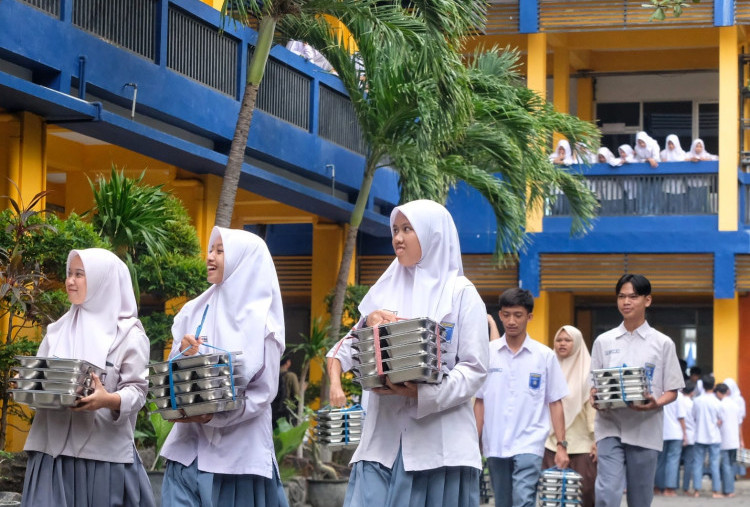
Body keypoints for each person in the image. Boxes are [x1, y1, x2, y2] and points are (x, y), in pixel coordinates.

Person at [330, 199, 489, 507]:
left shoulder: (462, 294)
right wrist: (368, 325)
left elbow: (474, 369)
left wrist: (424, 394)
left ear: (433, 235)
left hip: (439, 447)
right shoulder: (384, 290)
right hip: (381, 443)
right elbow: (346, 348)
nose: (397, 238)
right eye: (395, 230)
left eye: (407, 229)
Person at [159, 227, 287, 507]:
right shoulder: (193, 310)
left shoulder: (263, 325)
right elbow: (172, 375)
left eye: (220, 250)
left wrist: (213, 417)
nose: (211, 257)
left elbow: (264, 394)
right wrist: (181, 354)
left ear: (243, 260)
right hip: (187, 453)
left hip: (236, 461)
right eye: (210, 249)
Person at [21, 248, 155, 507]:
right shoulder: (58, 330)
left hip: (102, 458)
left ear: (102, 280)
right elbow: (40, 381)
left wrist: (107, 399)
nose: (70, 280)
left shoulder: (129, 335)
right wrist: (31, 385)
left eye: (80, 275)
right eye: (69, 273)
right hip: (52, 453)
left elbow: (138, 391)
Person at [589, 273, 685, 507]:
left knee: (640, 498)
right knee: (607, 494)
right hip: (609, 425)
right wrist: (594, 398)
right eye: (621, 296)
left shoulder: (662, 343)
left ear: (647, 300)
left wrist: (655, 403)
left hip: (645, 428)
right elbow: (594, 386)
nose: (626, 302)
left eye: (633, 296)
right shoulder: (604, 341)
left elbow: (672, 390)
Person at [475, 288, 569, 507]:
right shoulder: (487, 354)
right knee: (503, 502)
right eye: (506, 314)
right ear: (499, 315)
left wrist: (561, 445)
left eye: (518, 315)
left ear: (529, 316)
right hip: (495, 442)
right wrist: (475, 441)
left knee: (523, 499)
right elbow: (480, 401)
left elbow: (555, 402)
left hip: (530, 441)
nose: (511, 321)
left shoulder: (544, 356)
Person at [542, 325, 596, 507]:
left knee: (585, 494)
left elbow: (593, 409)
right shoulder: (546, 367)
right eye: (559, 340)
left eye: (567, 340)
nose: (562, 344)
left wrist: (597, 439)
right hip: (550, 443)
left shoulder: (588, 371)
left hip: (582, 445)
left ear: (578, 343)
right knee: (553, 497)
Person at [691, 375, 722, 498]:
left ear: (702, 386)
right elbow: (721, 418)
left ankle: (697, 491)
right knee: (714, 464)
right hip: (714, 436)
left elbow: (693, 416)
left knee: (698, 464)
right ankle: (715, 491)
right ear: (714, 386)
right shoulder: (717, 402)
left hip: (699, 435)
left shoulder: (697, 400)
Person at [653, 381, 686, 497]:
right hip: (675, 433)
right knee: (673, 461)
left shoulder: (657, 394)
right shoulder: (679, 396)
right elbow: (681, 417)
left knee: (659, 462)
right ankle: (669, 489)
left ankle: (657, 487)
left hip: (661, 432)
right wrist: (685, 434)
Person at [716, 382, 742, 498]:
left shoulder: (721, 405)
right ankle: (730, 489)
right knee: (731, 465)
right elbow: (739, 423)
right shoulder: (735, 405)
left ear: (718, 392)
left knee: (726, 465)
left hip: (725, 439)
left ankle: (728, 490)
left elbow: (719, 422)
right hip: (734, 439)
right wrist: (741, 440)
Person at [679, 381, 698, 495]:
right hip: (690, 435)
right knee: (688, 463)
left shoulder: (679, 401)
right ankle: (685, 488)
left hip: (678, 434)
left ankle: (672, 486)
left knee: (674, 462)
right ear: (692, 392)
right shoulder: (692, 404)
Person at [271, 355, 300, 427]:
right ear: (288, 362)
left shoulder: (272, 375)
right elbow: (296, 395)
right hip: (286, 411)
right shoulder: (291, 376)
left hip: (272, 410)